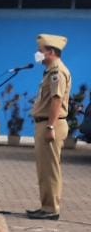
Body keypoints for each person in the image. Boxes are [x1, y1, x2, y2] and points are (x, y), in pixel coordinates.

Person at [28, 33, 71, 221]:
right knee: (44, 169)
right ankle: (46, 206)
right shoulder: (50, 71)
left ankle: (51, 209)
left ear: (51, 52)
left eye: (41, 50)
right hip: (45, 123)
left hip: (51, 123)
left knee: (50, 170)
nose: (38, 54)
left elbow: (56, 100)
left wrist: (51, 127)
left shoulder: (57, 73)